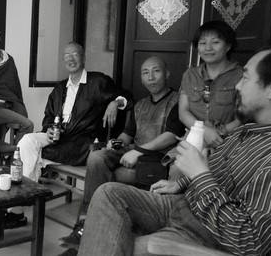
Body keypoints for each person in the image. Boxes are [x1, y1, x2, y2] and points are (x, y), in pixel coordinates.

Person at [75, 41, 271, 256]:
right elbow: (217, 166)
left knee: (124, 246)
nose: (237, 86)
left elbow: (248, 241)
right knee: (109, 194)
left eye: (245, 78)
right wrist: (179, 184)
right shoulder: (255, 126)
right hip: (189, 208)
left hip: (208, 237)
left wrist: (200, 176)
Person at [58, 56, 186, 255]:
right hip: (136, 151)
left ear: (167, 73)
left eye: (156, 71)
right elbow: (128, 135)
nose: (151, 77)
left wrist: (139, 151)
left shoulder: (177, 101)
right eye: (145, 72)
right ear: (141, 78)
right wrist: (115, 143)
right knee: (98, 156)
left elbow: (170, 137)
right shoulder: (141, 104)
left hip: (158, 157)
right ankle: (85, 221)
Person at [10, 42, 132, 225]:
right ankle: (17, 205)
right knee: (27, 141)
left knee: (33, 155)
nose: (71, 58)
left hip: (81, 141)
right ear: (63, 60)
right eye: (67, 55)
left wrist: (115, 103)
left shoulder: (98, 81)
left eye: (75, 54)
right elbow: (49, 117)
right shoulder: (59, 88)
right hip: (58, 137)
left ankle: (18, 209)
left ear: (83, 58)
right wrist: (49, 129)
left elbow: (127, 97)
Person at [179, 20, 242, 150]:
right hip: (194, 139)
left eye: (215, 42)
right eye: (203, 43)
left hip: (228, 142)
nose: (208, 48)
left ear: (228, 46)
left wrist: (217, 134)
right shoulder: (190, 75)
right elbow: (183, 111)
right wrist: (204, 132)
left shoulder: (241, 75)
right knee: (177, 169)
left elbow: (243, 117)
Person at [0, 23, 34, 145]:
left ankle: (12, 159)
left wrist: (19, 103)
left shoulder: (9, 59)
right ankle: (12, 159)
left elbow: (15, 86)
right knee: (26, 125)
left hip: (11, 104)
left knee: (24, 128)